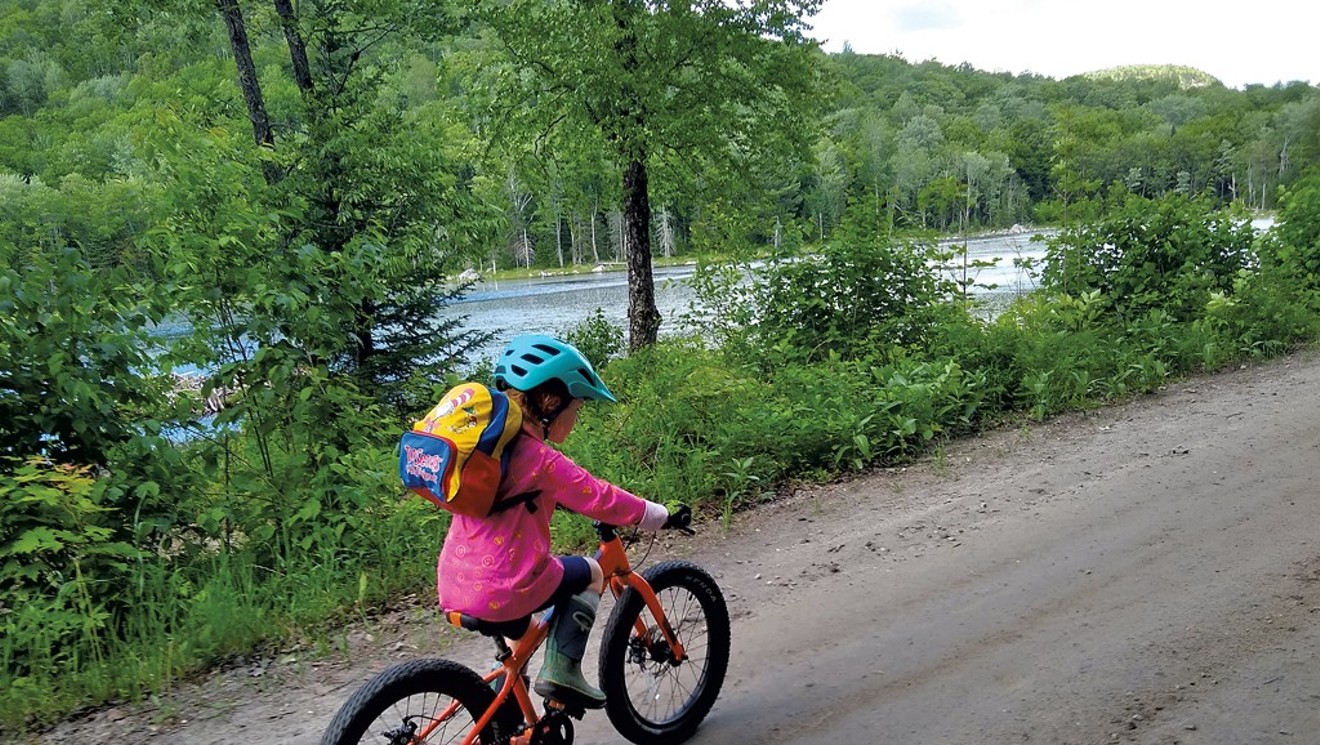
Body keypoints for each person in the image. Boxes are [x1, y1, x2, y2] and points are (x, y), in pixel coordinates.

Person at [435, 334, 680, 710]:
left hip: (455, 581)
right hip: (506, 587)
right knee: (593, 573)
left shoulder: (487, 451)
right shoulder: (539, 459)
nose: (576, 418)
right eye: (576, 408)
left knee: (526, 634)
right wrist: (660, 515)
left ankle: (515, 715)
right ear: (551, 401)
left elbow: (514, 499)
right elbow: (601, 497)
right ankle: (562, 673)